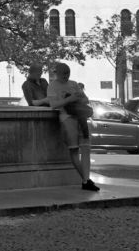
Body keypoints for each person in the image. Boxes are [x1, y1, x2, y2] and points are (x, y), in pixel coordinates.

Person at [42, 62, 99, 192]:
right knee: (74, 150)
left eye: (68, 73)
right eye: (64, 74)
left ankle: (86, 180)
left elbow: (85, 99)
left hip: (80, 118)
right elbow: (53, 105)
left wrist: (79, 99)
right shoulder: (52, 86)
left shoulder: (73, 84)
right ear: (58, 73)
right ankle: (86, 180)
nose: (66, 76)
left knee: (86, 149)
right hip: (67, 118)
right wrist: (69, 99)